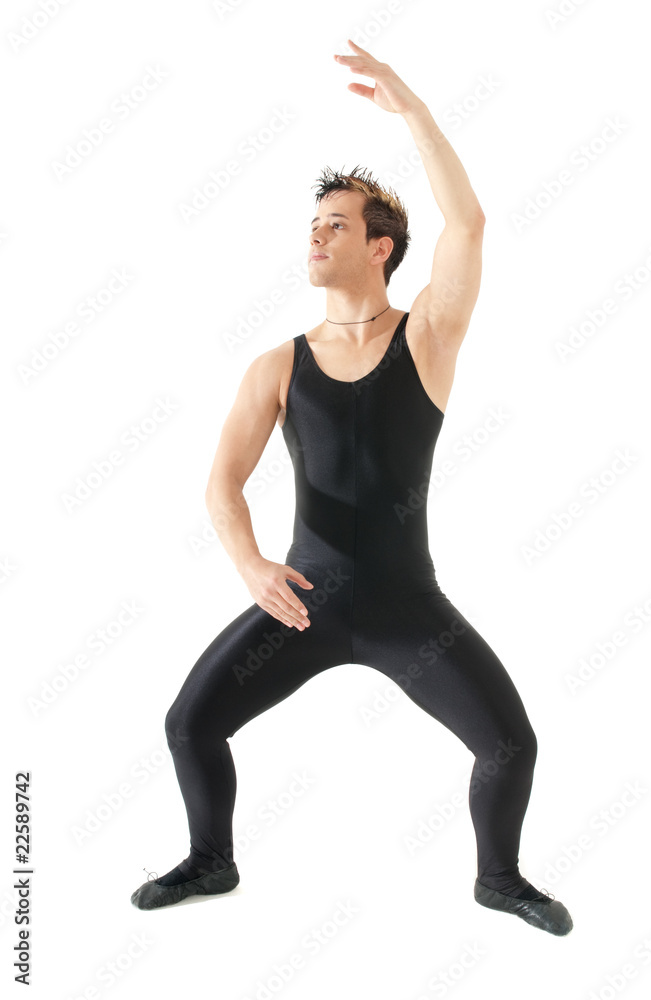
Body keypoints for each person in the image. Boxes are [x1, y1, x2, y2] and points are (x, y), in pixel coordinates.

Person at [130, 40, 572, 936]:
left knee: (509, 745)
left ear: (380, 247)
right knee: (188, 724)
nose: (316, 234)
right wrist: (252, 565)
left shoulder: (428, 337)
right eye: (313, 223)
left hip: (409, 607)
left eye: (335, 224)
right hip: (306, 602)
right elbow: (222, 483)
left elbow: (468, 224)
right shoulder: (276, 365)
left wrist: (414, 112)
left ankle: (498, 878)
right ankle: (212, 861)